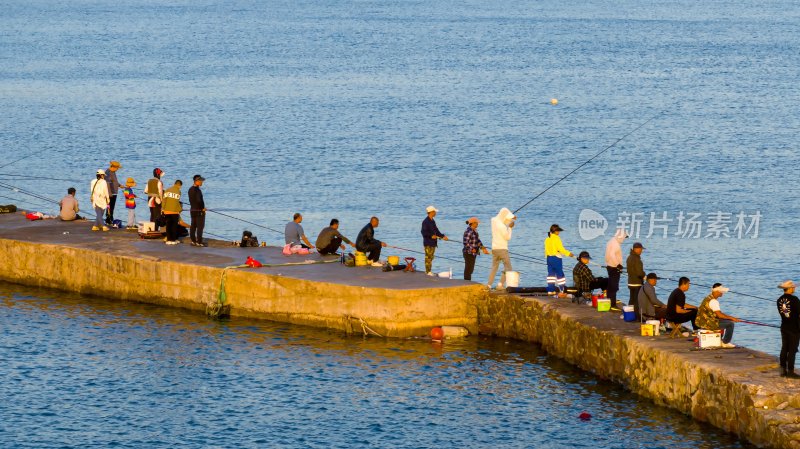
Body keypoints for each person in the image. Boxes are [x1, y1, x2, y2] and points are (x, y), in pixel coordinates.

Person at [696, 283, 740, 348]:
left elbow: (717, 314)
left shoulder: (708, 298)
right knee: (730, 324)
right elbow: (719, 315)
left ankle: (722, 340)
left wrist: (729, 318)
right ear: (716, 291)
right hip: (708, 323)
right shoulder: (714, 301)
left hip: (702, 321)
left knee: (726, 320)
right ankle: (725, 342)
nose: (722, 293)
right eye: (721, 291)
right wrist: (732, 318)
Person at [487, 208, 515, 290]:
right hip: (502, 249)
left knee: (494, 267)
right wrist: (510, 228)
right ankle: (500, 284)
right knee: (508, 268)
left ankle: (489, 285)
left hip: (494, 249)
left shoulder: (494, 221)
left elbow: (499, 218)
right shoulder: (502, 226)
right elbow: (508, 237)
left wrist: (510, 217)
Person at [777, 280, 800, 378]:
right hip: (794, 328)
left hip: (784, 326)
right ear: (790, 288)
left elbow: (786, 313)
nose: (794, 288)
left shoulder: (779, 300)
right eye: (793, 287)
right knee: (792, 350)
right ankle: (790, 371)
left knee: (784, 348)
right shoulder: (794, 299)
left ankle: (782, 370)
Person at [545, 224, 573, 296]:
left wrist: (547, 258)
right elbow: (560, 249)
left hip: (549, 258)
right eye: (558, 231)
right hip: (556, 258)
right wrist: (568, 253)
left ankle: (550, 290)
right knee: (560, 274)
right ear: (556, 231)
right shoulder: (557, 238)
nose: (559, 232)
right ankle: (562, 290)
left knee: (551, 275)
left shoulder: (547, 239)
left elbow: (546, 250)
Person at [421, 205, 448, 276]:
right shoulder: (425, 221)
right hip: (428, 242)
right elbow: (423, 232)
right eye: (435, 212)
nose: (435, 213)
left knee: (431, 257)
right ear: (431, 212)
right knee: (428, 257)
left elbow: (436, 230)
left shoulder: (432, 221)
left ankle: (429, 271)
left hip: (433, 242)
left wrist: (443, 236)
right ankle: (428, 272)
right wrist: (431, 236)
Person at [604, 229, 627, 309]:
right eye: (624, 237)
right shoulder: (616, 244)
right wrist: (618, 264)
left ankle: (609, 301)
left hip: (609, 266)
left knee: (611, 285)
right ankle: (612, 304)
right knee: (614, 286)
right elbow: (612, 254)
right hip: (614, 267)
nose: (624, 239)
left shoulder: (611, 241)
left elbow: (607, 255)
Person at [462, 217, 489, 281]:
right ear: (472, 223)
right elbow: (465, 242)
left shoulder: (475, 231)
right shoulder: (468, 231)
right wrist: (471, 249)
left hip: (474, 253)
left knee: (471, 269)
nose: (477, 224)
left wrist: (483, 248)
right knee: (468, 268)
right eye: (476, 223)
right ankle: (467, 282)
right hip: (468, 252)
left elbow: (478, 241)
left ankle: (468, 281)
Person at [626, 242, 646, 317]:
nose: (641, 251)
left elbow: (629, 270)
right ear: (636, 249)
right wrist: (644, 275)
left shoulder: (629, 257)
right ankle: (637, 316)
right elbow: (639, 273)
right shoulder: (637, 259)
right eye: (641, 249)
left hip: (630, 282)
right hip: (637, 283)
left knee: (631, 300)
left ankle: (629, 315)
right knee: (637, 301)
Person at [162, 180, 183, 245]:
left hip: (167, 210)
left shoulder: (167, 190)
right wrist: (180, 209)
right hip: (174, 211)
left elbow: (164, 200)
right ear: (179, 185)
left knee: (168, 225)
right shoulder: (178, 191)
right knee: (174, 226)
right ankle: (173, 239)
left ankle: (169, 240)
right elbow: (177, 202)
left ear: (174, 184)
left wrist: (163, 208)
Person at [188, 174, 207, 247]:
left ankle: (193, 241)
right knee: (200, 226)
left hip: (192, 209)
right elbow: (199, 201)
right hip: (199, 211)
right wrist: (202, 208)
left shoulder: (190, 189)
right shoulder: (197, 190)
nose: (202, 182)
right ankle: (199, 242)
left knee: (193, 225)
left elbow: (191, 200)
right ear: (197, 181)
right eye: (201, 181)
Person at [104, 161, 121, 226]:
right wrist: (109, 193)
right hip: (110, 193)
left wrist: (119, 185)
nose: (117, 169)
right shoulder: (108, 172)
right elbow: (107, 183)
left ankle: (110, 218)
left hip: (114, 193)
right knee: (109, 206)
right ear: (114, 167)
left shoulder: (113, 172)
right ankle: (108, 219)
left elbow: (114, 182)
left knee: (112, 207)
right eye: (117, 168)